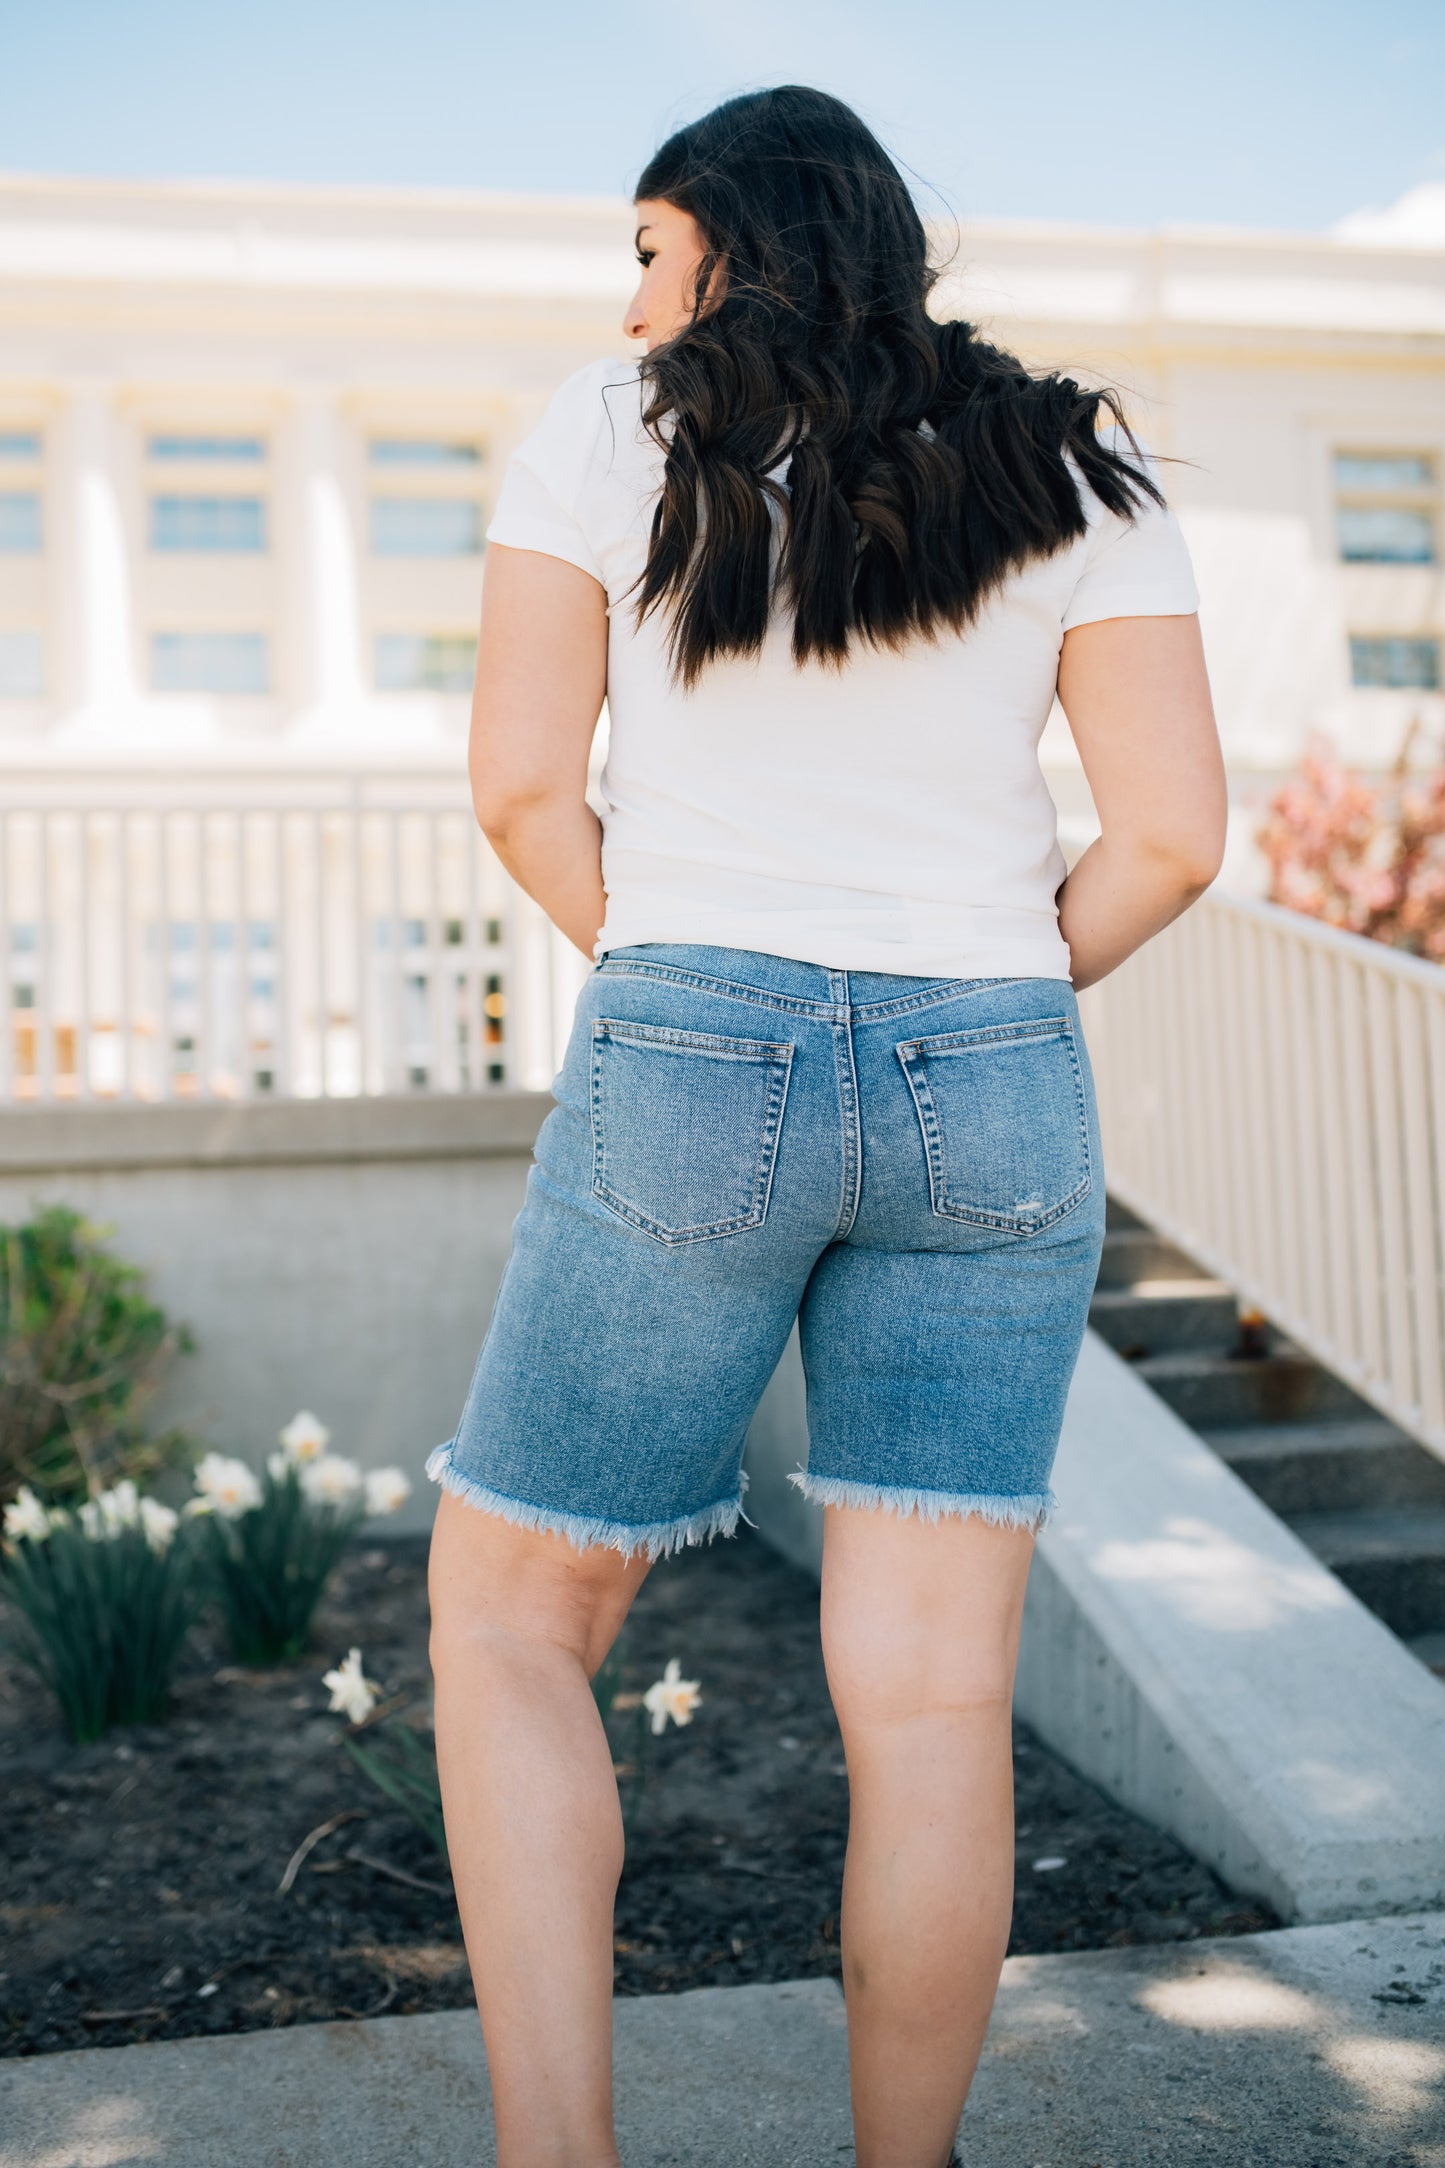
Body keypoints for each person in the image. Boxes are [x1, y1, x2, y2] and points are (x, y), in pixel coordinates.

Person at [427, 84, 1226, 2168]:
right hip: (997, 1055)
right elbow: (1173, 834)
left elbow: (523, 792)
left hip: (695, 1032)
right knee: (939, 1692)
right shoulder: (1075, 464)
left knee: (515, 1620)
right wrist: (984, 992)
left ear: (726, 242)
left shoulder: (612, 430)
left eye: (644, 246)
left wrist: (692, 980)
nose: (629, 291)